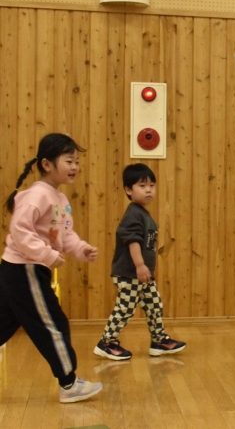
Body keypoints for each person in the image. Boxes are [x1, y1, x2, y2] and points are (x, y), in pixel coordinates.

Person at [0, 133, 103, 403]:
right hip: (25, 270)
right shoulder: (37, 196)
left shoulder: (59, 199)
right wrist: (46, 254)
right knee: (53, 324)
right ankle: (69, 383)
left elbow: (64, 234)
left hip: (23, 270)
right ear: (47, 164)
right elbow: (20, 230)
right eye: (69, 161)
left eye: (77, 161)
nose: (75, 166)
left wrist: (81, 248)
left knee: (4, 322)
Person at [94, 163, 186, 361]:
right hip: (129, 273)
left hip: (142, 275)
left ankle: (158, 340)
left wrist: (145, 270)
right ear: (129, 190)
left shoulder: (143, 214)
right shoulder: (133, 213)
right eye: (142, 186)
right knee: (125, 308)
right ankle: (107, 342)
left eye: (152, 185)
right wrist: (140, 265)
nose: (148, 190)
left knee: (154, 305)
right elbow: (132, 240)